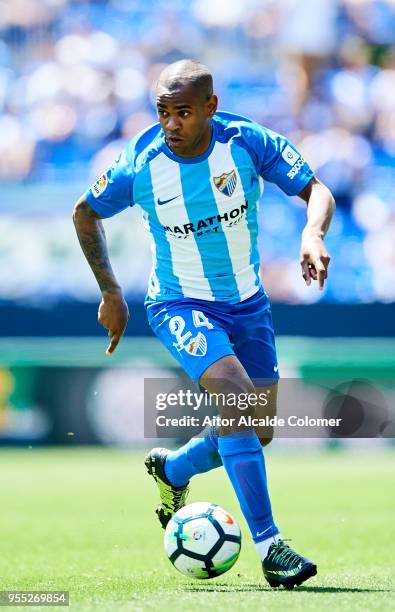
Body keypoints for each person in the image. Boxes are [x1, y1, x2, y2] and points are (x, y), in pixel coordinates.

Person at [73, 59, 335, 589]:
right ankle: (271, 545)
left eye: (183, 112)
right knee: (234, 399)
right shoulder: (139, 165)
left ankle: (172, 471)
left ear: (211, 108)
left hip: (248, 303)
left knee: (258, 429)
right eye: (163, 112)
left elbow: (318, 191)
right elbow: (85, 213)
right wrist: (111, 290)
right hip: (179, 303)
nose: (171, 123)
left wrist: (313, 234)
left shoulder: (246, 141)